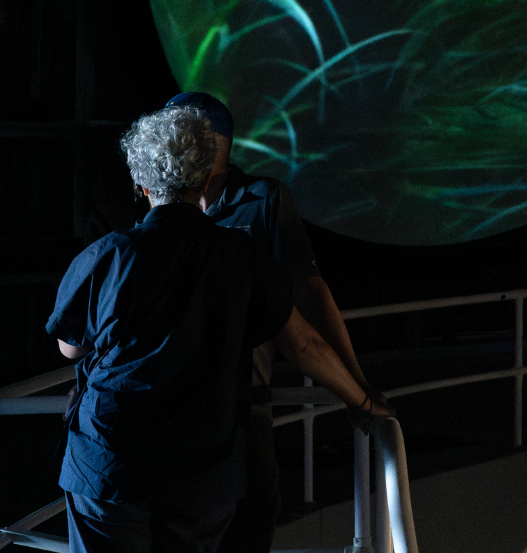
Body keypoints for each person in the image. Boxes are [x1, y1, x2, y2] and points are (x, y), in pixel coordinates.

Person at [47, 106, 389, 553]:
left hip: (110, 464)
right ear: (208, 179)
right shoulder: (242, 256)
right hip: (202, 472)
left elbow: (70, 350)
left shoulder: (108, 255)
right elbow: (303, 342)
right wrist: (362, 399)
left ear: (141, 184)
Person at [163, 91, 385, 553]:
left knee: (250, 511)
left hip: (242, 401)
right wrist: (358, 394)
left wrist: (357, 384)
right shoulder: (163, 204)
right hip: (174, 405)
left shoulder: (260, 200)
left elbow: (309, 295)